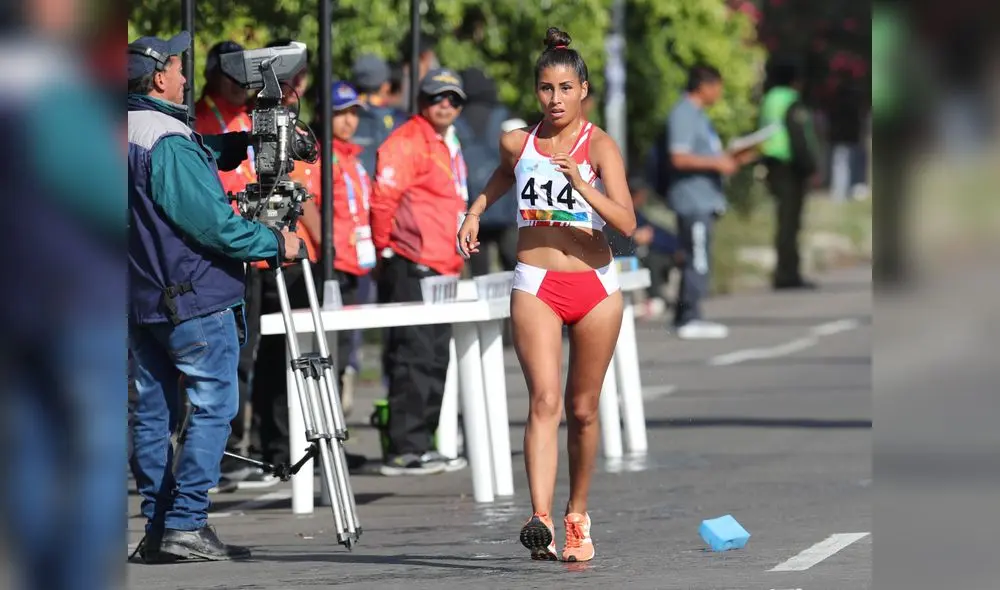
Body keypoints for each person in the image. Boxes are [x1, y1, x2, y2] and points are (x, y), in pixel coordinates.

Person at [458, 27, 637, 563]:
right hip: (536, 282)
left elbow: (626, 222)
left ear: (583, 89)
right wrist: (473, 210)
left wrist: (584, 184)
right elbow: (504, 175)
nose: (554, 99)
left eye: (564, 88)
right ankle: (539, 518)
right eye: (545, 89)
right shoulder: (519, 141)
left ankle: (577, 514)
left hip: (595, 287)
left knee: (583, 410)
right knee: (544, 401)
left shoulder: (600, 145)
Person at [127, 32, 301, 562]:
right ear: (158, 77)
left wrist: (249, 143)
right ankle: (186, 522)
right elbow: (214, 227)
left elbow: (195, 159)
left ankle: (160, 527)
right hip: (194, 297)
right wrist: (276, 241)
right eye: (179, 67)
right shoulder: (167, 140)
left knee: (152, 412)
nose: (185, 77)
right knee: (213, 407)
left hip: (139, 300)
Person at [370, 68, 470, 476]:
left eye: (453, 98)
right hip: (412, 264)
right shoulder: (408, 140)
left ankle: (422, 442)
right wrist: (387, 253)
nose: (445, 105)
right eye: (436, 97)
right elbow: (382, 201)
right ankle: (405, 447)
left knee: (434, 356)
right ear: (422, 101)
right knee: (413, 356)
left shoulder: (449, 142)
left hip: (444, 265)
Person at [289, 81, 377, 421]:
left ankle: (337, 420)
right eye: (340, 113)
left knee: (346, 347)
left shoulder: (354, 157)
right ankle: (321, 421)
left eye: (353, 113)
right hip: (333, 265)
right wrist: (327, 245)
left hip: (358, 263)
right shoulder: (319, 154)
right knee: (328, 348)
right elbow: (308, 200)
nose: (348, 121)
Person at [193, 40, 256, 491]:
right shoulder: (193, 119)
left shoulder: (254, 117)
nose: (243, 86)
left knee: (245, 358)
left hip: (251, 249)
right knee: (210, 362)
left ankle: (237, 446)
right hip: (212, 250)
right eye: (235, 75)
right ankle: (207, 458)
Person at [664, 65, 750, 340]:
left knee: (697, 256)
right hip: (692, 201)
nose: (719, 93)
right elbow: (678, 157)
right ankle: (690, 316)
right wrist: (717, 162)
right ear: (704, 85)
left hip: (704, 199)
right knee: (697, 258)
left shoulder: (698, 116)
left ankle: (683, 313)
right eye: (717, 86)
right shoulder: (684, 114)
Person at [760, 60, 821, 290]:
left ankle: (785, 271)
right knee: (790, 223)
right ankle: (788, 273)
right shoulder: (791, 101)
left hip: (772, 164)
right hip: (790, 166)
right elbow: (798, 137)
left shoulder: (769, 99)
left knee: (783, 221)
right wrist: (810, 167)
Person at [455, 67, 520, 276]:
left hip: (474, 208)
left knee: (479, 273)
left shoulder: (455, 122)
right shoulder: (505, 116)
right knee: (515, 268)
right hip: (506, 206)